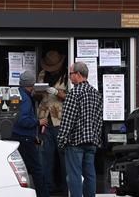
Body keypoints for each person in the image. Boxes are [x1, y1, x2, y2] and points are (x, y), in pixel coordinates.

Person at [57, 62, 103, 197]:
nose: (70, 77)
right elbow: (99, 120)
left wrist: (61, 140)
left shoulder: (74, 93)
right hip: (92, 141)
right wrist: (96, 138)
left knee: (74, 176)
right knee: (90, 175)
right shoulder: (96, 93)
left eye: (71, 74)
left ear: (77, 74)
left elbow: (67, 121)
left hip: (75, 142)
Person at [11, 70, 49, 197]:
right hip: (25, 138)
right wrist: (39, 122)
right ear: (30, 85)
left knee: (23, 169)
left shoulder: (18, 94)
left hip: (18, 137)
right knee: (37, 169)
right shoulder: (26, 99)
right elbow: (23, 120)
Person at [36, 50, 68, 195]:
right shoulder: (43, 74)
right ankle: (47, 189)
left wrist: (56, 92)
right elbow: (37, 97)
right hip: (44, 120)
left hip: (61, 121)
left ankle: (65, 188)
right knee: (45, 157)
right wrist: (37, 91)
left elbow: (70, 98)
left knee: (64, 157)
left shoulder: (67, 75)